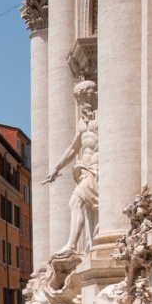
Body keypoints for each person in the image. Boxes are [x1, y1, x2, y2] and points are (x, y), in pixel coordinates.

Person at [43, 80, 98, 256]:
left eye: (85, 96)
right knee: (78, 204)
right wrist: (55, 168)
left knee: (75, 202)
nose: (83, 101)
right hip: (86, 170)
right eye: (80, 98)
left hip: (98, 169)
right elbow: (73, 149)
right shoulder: (83, 124)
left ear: (93, 95)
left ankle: (72, 245)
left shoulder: (103, 116)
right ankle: (75, 245)